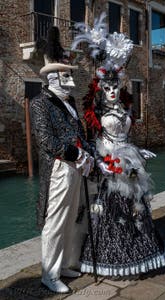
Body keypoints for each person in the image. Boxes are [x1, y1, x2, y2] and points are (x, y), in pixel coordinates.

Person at [72, 14, 165, 277]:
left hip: (130, 163)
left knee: (138, 208)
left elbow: (126, 136)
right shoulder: (96, 110)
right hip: (111, 165)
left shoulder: (126, 108)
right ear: (102, 88)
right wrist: (101, 160)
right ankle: (111, 259)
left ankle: (139, 256)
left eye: (116, 86)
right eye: (108, 87)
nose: (112, 91)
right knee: (114, 212)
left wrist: (138, 151)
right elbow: (92, 138)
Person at [30, 27, 94, 293]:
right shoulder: (40, 104)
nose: (69, 78)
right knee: (56, 221)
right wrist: (76, 154)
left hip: (76, 168)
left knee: (72, 219)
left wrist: (88, 153)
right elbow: (46, 141)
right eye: (65, 74)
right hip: (58, 169)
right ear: (53, 77)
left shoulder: (70, 103)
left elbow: (81, 133)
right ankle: (50, 273)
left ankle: (66, 263)